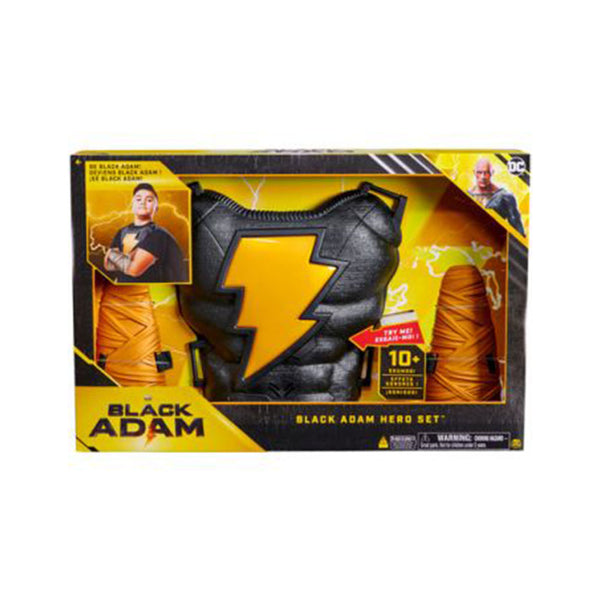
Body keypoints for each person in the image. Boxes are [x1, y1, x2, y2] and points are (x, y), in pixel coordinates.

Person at [104, 183, 187, 282]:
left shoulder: (158, 234)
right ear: (132, 205)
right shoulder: (122, 232)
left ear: (156, 207)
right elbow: (108, 265)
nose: (142, 202)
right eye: (138, 199)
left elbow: (133, 270)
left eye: (149, 200)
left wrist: (114, 255)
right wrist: (131, 257)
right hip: (123, 288)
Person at [468, 158, 526, 236]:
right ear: (474, 173)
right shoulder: (467, 194)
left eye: (486, 172)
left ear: (492, 173)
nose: (483, 177)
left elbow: (518, 232)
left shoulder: (506, 197)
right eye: (479, 172)